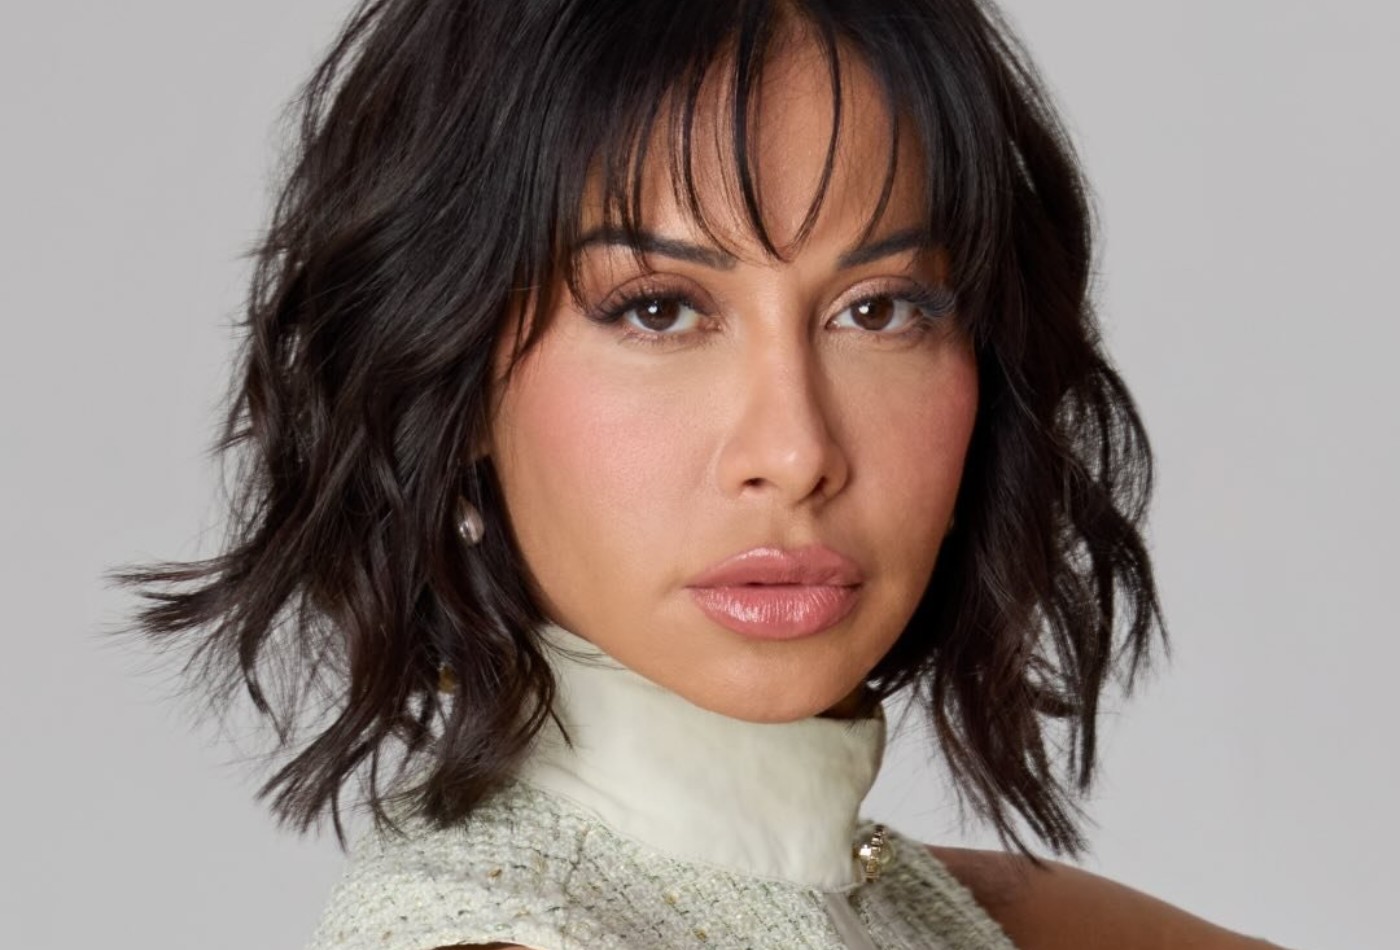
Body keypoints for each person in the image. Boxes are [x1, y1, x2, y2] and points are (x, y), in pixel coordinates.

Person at [116, 0, 1290, 947]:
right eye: (658, 309)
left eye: (878, 308)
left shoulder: (944, 910)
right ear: (454, 376)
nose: (794, 450)